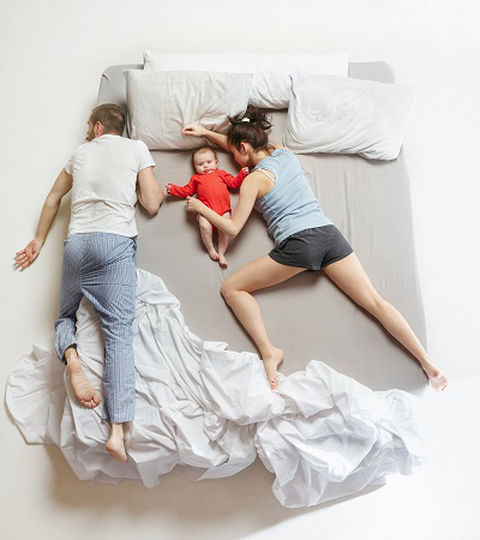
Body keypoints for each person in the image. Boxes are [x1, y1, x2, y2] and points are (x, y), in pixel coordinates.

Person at [181, 106, 448, 392]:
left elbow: (232, 229)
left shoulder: (252, 181)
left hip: (300, 245)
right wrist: (209, 134)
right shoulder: (283, 153)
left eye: (234, 152)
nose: (232, 159)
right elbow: (243, 145)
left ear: (243, 147)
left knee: (232, 288)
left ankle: (270, 351)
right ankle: (427, 362)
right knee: (375, 302)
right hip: (329, 235)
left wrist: (200, 208)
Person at [14, 103, 163, 461]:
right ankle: (116, 432)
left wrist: (38, 239)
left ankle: (71, 355)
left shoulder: (79, 153)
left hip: (77, 243)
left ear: (98, 127)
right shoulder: (137, 147)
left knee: (65, 315)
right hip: (114, 243)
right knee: (118, 334)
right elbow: (153, 203)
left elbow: (54, 197)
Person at [166, 146, 248, 268]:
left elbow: (234, 184)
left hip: (222, 211)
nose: (205, 166)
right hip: (205, 212)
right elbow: (186, 191)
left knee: (224, 230)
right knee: (204, 226)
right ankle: (210, 248)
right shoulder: (196, 179)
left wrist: (242, 174)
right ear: (195, 167)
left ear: (216, 162)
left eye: (209, 162)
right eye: (200, 164)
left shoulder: (221, 174)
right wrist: (173, 189)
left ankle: (221, 254)